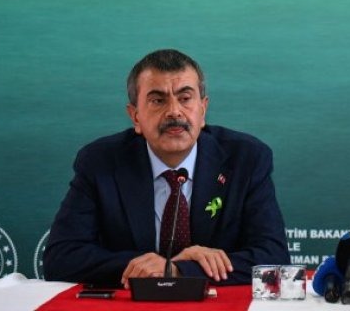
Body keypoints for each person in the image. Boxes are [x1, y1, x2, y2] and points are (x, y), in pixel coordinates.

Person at [44, 49, 289, 287]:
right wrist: (148, 268)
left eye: (185, 98)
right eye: (157, 100)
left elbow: (274, 258)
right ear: (135, 116)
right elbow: (61, 257)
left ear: (203, 110)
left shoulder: (246, 159)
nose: (173, 111)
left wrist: (180, 270)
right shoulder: (100, 162)